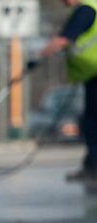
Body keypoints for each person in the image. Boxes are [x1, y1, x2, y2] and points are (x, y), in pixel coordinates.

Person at [41, 0, 97, 182]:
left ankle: (94, 168)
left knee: (91, 122)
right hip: (92, 73)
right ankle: (91, 165)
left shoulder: (86, 10)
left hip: (95, 72)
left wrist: (37, 57)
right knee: (91, 119)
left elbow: (63, 40)